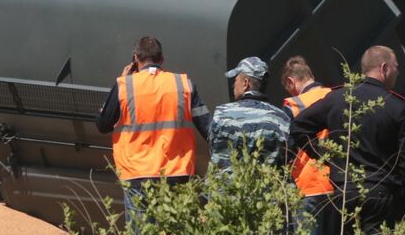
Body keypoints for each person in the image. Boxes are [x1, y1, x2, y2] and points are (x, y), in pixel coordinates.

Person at [290, 45, 405, 235]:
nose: (398, 71)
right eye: (396, 66)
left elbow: (299, 127)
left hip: (344, 193)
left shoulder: (337, 99)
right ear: (384, 68)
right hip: (381, 195)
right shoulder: (396, 107)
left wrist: (326, 155)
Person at [96, 36, 210, 225]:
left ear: (135, 59)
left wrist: (121, 82)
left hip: (137, 173)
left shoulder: (124, 86)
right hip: (176, 172)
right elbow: (207, 128)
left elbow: (102, 125)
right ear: (162, 59)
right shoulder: (183, 85)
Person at [281, 56, 333, 235]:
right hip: (339, 181)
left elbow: (287, 146)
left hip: (308, 184)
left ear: (292, 82)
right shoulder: (335, 96)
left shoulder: (294, 104)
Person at [208, 56, 291, 169]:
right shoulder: (282, 119)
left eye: (236, 80)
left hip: (227, 186)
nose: (233, 85)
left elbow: (214, 152)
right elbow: (287, 160)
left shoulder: (222, 114)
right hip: (268, 185)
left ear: (245, 83)